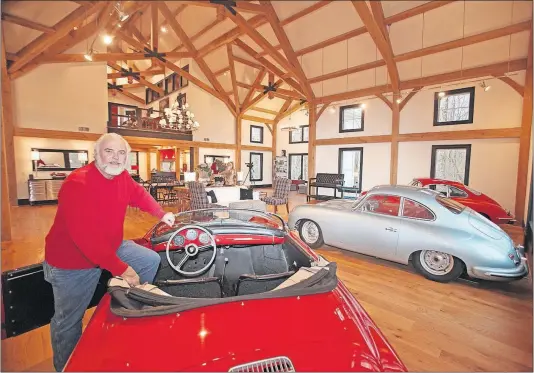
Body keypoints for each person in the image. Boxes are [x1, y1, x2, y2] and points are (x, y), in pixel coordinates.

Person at [43, 133, 175, 372]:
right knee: (68, 321)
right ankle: (66, 367)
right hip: (72, 260)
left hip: (110, 245)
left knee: (149, 260)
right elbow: (87, 242)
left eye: (121, 153)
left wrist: (161, 213)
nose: (116, 158)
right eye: (109, 151)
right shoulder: (78, 184)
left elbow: (139, 195)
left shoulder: (122, 176)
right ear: (96, 154)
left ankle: (129, 310)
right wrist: (123, 270)